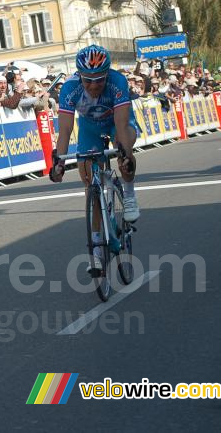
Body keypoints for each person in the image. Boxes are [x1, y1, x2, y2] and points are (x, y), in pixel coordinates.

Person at [48, 44, 140, 276]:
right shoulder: (70, 88)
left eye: (99, 79)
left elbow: (121, 123)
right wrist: (59, 162)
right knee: (90, 183)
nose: (93, 85)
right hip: (89, 128)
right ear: (79, 75)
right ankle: (97, 252)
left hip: (117, 123)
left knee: (123, 147)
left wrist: (124, 152)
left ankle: (129, 195)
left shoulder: (117, 81)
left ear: (107, 74)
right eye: (88, 80)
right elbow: (65, 130)